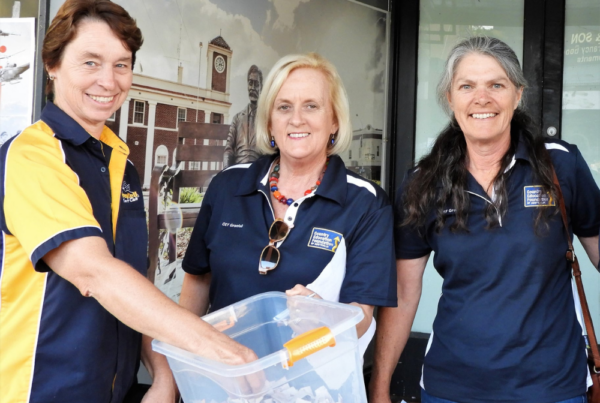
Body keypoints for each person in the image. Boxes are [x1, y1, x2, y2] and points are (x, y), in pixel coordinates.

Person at [0, 1, 255, 402]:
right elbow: (95, 274)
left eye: (121, 64)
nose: (109, 80)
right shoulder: (33, 156)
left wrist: (164, 377)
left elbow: (133, 286)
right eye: (90, 62)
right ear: (52, 64)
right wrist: (213, 345)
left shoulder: (119, 163)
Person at [369, 36, 600, 403]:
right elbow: (403, 292)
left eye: (496, 84)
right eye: (466, 86)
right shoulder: (424, 182)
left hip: (552, 387)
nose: (482, 98)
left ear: (518, 94)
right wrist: (379, 387)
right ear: (451, 99)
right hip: (452, 388)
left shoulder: (561, 166)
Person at [180, 52, 396, 353]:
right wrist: (175, 375)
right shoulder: (227, 186)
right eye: (284, 107)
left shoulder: (366, 203)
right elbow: (197, 283)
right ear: (269, 122)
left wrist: (323, 315)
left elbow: (362, 317)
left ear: (334, 120)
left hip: (310, 386)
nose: (297, 119)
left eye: (312, 106)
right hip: (223, 377)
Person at [223, 64, 263, 168]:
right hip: (238, 168)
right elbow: (228, 149)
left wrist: (272, 140)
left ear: (261, 87)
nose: (253, 88)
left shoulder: (266, 119)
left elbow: (272, 144)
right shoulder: (237, 118)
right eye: (250, 83)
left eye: (256, 84)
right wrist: (226, 173)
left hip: (258, 168)